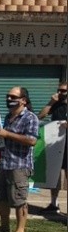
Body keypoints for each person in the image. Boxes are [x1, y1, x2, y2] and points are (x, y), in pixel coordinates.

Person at [0, 86, 39, 232]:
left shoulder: (30, 118)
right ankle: (4, 226)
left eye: (13, 97)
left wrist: (7, 134)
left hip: (19, 165)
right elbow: (2, 139)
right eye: (8, 96)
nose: (9, 99)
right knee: (0, 196)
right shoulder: (7, 116)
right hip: (3, 163)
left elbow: (31, 140)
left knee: (19, 199)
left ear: (23, 100)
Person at [37, 81, 68, 214]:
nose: (60, 93)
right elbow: (40, 116)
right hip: (55, 144)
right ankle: (54, 203)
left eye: (63, 91)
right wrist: (51, 102)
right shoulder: (56, 104)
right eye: (59, 90)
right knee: (54, 173)